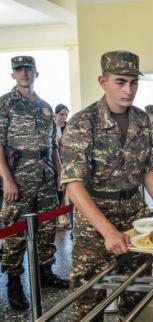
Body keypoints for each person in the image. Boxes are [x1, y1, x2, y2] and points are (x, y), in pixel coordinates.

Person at [61, 50, 153, 321]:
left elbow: (147, 169)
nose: (128, 90)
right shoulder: (83, 122)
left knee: (137, 290)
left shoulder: (142, 120)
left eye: (133, 82)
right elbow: (73, 185)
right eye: (120, 82)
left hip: (135, 214)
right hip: (96, 219)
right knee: (90, 297)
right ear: (103, 81)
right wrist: (109, 232)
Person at [0, 56, 69, 310]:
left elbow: (52, 145)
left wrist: (60, 172)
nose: (24, 73)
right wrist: (7, 179)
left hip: (45, 175)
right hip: (18, 176)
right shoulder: (5, 104)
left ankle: (45, 273)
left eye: (28, 69)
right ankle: (14, 283)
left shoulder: (45, 106)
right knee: (15, 232)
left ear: (36, 73)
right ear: (13, 75)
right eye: (19, 69)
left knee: (47, 227)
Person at [55, 103, 70, 230]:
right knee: (57, 192)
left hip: (66, 163)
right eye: (61, 114)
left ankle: (65, 220)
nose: (64, 117)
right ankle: (57, 218)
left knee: (65, 193)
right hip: (54, 164)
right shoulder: (51, 127)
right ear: (56, 114)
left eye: (66, 114)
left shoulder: (69, 127)